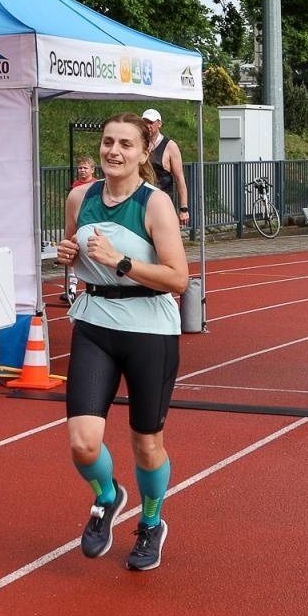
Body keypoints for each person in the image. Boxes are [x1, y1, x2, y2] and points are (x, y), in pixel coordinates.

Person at [55, 113, 190, 572]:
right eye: (108, 142)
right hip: (95, 323)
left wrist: (121, 262)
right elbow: (75, 253)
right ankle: (107, 496)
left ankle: (151, 522)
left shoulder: (155, 204)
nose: (114, 151)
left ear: (144, 152)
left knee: (146, 445)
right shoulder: (80, 197)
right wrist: (67, 255)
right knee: (83, 443)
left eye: (125, 144)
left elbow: (178, 279)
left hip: (150, 331)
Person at [141, 108, 192, 230]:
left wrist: (184, 209)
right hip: (141, 202)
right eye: (145, 122)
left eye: (151, 122)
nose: (148, 126)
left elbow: (180, 178)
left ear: (159, 124)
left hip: (162, 203)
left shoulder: (170, 146)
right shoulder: (139, 143)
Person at [64, 157, 98, 302]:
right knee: (73, 251)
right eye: (80, 168)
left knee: (91, 251)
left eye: (85, 168)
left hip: (91, 221)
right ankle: (72, 288)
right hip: (78, 220)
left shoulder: (96, 185)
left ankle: (94, 285)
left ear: (92, 170)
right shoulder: (75, 185)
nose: (82, 170)